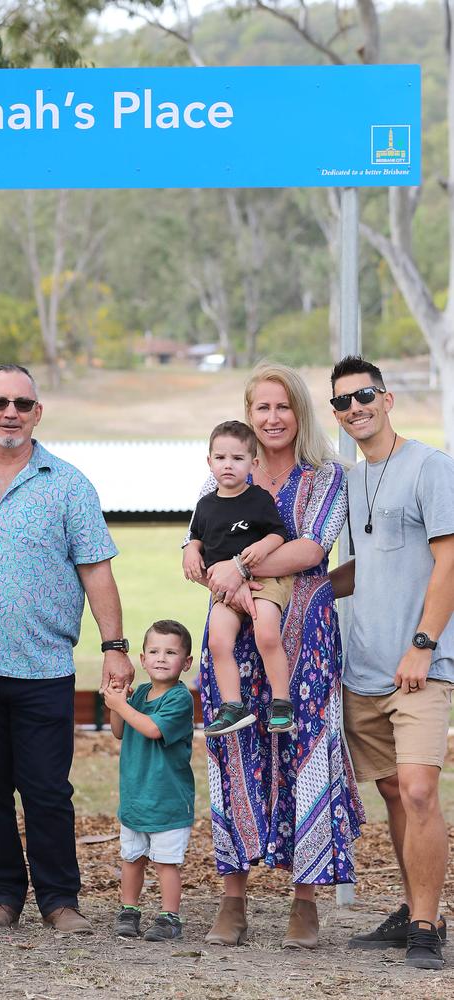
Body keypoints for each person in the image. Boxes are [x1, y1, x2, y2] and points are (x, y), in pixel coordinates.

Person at [0, 363, 134, 933]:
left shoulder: (68, 484)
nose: (10, 413)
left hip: (43, 666)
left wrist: (115, 646)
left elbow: (97, 570)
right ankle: (1, 895)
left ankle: (59, 899)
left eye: (22, 404)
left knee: (48, 790)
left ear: (37, 413)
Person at [183, 361, 363, 950]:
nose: (272, 417)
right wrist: (212, 565)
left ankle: (305, 902)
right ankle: (232, 897)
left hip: (304, 634)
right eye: (262, 407)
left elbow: (312, 550)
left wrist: (236, 566)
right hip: (233, 635)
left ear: (300, 412)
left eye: (283, 406)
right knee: (235, 749)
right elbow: (204, 544)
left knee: (306, 751)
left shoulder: (326, 477)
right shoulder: (227, 473)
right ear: (248, 414)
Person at [329, 355, 454, 971]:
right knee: (392, 795)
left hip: (421, 665)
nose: (356, 408)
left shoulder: (432, 467)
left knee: (421, 789)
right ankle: (411, 910)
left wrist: (424, 644)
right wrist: (309, 594)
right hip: (364, 667)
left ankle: (429, 928)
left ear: (388, 398)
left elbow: (449, 560)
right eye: (344, 402)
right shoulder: (351, 480)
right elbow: (369, 566)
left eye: (365, 396)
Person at [186, 420, 293, 736]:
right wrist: (192, 550)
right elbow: (196, 536)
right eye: (220, 458)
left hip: (264, 583)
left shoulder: (258, 499)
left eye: (237, 458)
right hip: (225, 589)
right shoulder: (206, 505)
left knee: (267, 634)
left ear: (253, 464)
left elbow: (279, 534)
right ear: (209, 462)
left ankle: (282, 703)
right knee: (218, 641)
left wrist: (261, 548)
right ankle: (233, 706)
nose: (228, 465)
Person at [105, 619, 194, 942]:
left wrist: (121, 706)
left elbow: (153, 729)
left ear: (186, 663)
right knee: (132, 857)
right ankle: (129, 909)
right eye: (154, 651)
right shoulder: (140, 693)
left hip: (168, 798)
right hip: (136, 795)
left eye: (170, 652)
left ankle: (169, 917)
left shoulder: (180, 699)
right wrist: (117, 702)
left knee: (166, 862)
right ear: (142, 659)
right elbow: (119, 730)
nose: (160, 658)